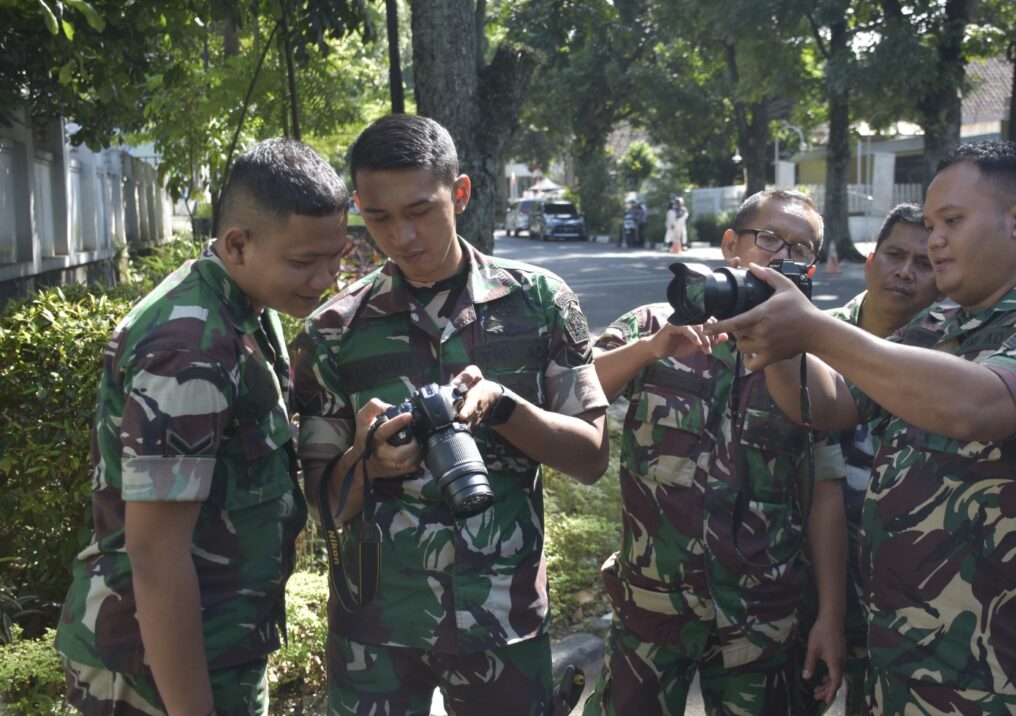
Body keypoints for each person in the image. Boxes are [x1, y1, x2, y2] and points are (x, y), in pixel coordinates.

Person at [708, 140, 1016, 713]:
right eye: (931, 225)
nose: (935, 241)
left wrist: (816, 331)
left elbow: (975, 406)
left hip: (998, 675)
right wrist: (773, 332)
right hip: (896, 660)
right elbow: (829, 404)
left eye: (952, 221)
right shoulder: (939, 323)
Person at [291, 114, 609, 715]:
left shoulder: (537, 302)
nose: (401, 236)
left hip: (502, 615)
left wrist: (505, 408)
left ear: (459, 193)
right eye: (378, 217)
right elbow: (323, 505)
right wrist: (367, 460)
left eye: (420, 211)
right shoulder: (333, 332)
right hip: (376, 627)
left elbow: (592, 459)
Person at [55, 138, 352, 715]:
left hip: (216, 647)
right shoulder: (190, 348)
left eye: (335, 256)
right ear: (237, 243)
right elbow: (156, 555)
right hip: (153, 669)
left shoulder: (242, 306)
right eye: (303, 262)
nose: (326, 278)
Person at [583, 188, 846, 716]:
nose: (783, 256)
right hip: (652, 606)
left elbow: (825, 493)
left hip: (761, 616)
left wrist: (831, 618)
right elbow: (576, 391)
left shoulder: (814, 351)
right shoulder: (655, 323)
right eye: (769, 239)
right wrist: (650, 350)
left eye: (801, 249)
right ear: (731, 246)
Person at [797, 202, 940, 714]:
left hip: (911, 599)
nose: (906, 271)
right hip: (806, 581)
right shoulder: (812, 339)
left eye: (924, 263)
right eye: (896, 255)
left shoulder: (954, 359)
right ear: (871, 262)